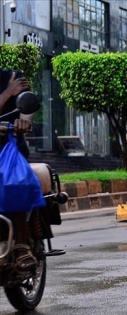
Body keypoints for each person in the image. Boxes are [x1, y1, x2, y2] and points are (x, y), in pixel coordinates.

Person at [0, 70, 36, 272]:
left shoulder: (13, 77)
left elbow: (27, 105)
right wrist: (7, 94)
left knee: (12, 182)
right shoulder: (9, 86)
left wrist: (25, 120)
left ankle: (21, 245)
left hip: (8, 152)